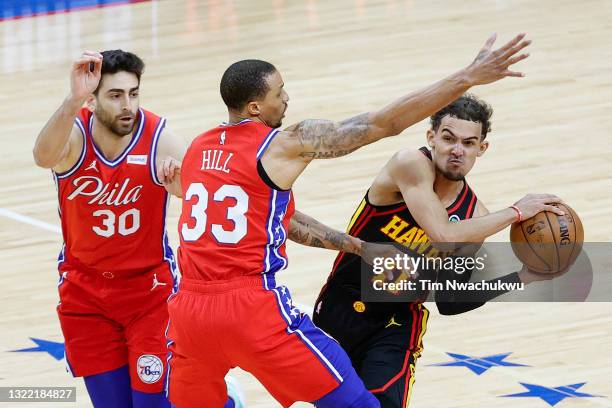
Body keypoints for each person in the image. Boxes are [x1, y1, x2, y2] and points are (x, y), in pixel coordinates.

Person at [161, 33, 533, 407]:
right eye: (280, 92)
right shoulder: (284, 144)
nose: (287, 98)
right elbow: (381, 124)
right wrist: (467, 77)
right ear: (256, 107)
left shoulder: (199, 149)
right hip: (254, 307)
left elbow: (279, 221)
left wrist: (357, 246)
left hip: (188, 311)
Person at [309, 94, 565, 408]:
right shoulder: (409, 165)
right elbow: (442, 233)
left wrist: (523, 276)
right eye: (448, 138)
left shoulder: (475, 217)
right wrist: (515, 212)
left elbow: (451, 301)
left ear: (481, 149)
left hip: (396, 323)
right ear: (431, 138)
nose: (457, 150)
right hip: (342, 305)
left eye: (469, 143)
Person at [33, 50, 242, 408]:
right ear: (93, 99)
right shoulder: (75, 136)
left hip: (149, 295)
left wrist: (178, 183)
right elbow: (42, 157)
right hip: (85, 298)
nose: (127, 105)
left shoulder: (159, 137)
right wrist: (71, 101)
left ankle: (224, 402)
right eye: (115, 96)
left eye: (133, 94)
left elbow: (202, 195)